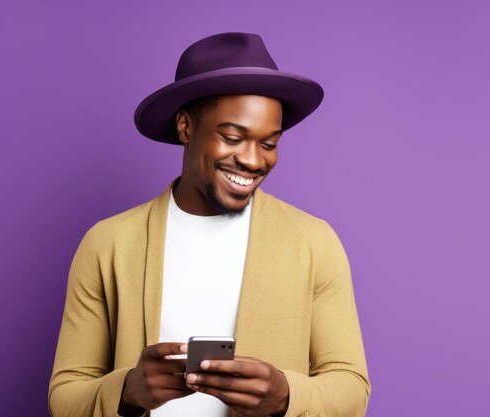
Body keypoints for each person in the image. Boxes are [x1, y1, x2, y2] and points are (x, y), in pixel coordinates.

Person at [49, 32, 370, 417]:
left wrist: (286, 396)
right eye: (233, 137)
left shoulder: (313, 242)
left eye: (269, 144)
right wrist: (128, 391)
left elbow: (352, 387)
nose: (254, 161)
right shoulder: (109, 243)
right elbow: (65, 395)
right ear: (185, 127)